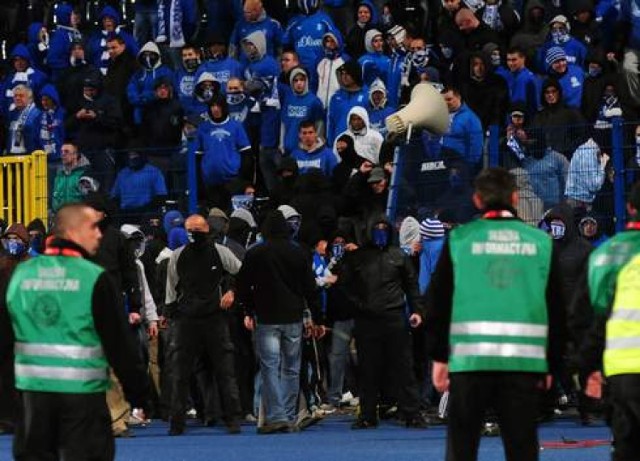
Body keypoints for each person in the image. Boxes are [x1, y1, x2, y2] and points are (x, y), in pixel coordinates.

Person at [426, 167, 565, 461]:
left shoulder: (460, 240)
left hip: (469, 362)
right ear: (515, 198)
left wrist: (440, 357)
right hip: (523, 363)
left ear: (477, 200)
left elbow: (438, 304)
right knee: (522, 450)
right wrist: (551, 365)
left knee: (462, 450)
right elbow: (556, 310)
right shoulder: (541, 243)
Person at [3, 204, 148, 460]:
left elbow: (4, 339)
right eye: (92, 227)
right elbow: (119, 344)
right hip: (83, 402)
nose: (100, 235)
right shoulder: (93, 277)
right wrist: (137, 391)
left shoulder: (21, 276)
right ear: (72, 231)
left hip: (33, 403)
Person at [237, 210, 323, 433]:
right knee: (292, 368)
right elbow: (310, 288)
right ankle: (289, 415)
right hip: (293, 317)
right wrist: (317, 317)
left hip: (266, 318)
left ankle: (277, 417)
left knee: (269, 367)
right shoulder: (298, 253)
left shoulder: (255, 253)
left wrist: (248, 310)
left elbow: (243, 286)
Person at [340, 214, 427, 429]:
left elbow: (411, 286)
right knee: (368, 370)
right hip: (367, 321)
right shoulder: (357, 257)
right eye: (377, 228)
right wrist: (360, 306)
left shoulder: (398, 256)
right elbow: (346, 287)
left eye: (384, 228)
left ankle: (411, 413)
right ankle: (368, 415)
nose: (380, 232)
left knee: (404, 368)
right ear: (370, 231)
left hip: (394, 318)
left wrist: (417, 311)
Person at [164, 214, 243, 436]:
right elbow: (171, 289)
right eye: (190, 229)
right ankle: (176, 423)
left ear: (207, 229)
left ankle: (232, 420)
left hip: (214, 319)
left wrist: (232, 291)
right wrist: (169, 312)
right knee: (179, 374)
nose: (194, 233)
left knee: (225, 372)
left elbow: (242, 272)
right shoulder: (177, 256)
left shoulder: (220, 252)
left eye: (197, 229)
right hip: (187, 319)